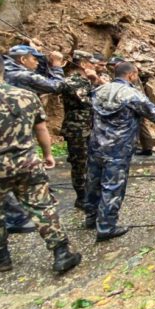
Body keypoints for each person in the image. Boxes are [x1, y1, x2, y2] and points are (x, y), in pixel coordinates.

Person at [0, 52, 82, 274]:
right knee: (42, 206)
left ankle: (0, 257)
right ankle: (62, 253)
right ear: (2, 70)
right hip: (28, 162)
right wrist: (47, 154)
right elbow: (41, 128)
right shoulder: (27, 96)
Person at [85, 61, 155, 242]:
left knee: (93, 182)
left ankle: (91, 217)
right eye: (136, 75)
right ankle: (106, 226)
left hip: (96, 144)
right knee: (113, 186)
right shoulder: (132, 94)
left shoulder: (99, 90)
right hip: (118, 148)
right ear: (131, 75)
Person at [2, 44, 67, 233]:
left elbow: (35, 72)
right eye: (34, 58)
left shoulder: (2, 71)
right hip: (17, 130)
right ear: (23, 60)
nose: (37, 62)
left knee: (2, 168)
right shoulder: (23, 76)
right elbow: (56, 86)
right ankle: (20, 216)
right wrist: (56, 65)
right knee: (21, 166)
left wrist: (37, 54)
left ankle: (15, 212)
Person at [61, 50, 103, 209]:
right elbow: (89, 102)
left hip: (90, 127)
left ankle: (91, 193)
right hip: (77, 129)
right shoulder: (72, 81)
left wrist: (94, 81)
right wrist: (94, 82)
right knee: (80, 163)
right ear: (84, 64)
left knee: (92, 162)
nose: (95, 66)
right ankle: (82, 197)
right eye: (92, 63)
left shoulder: (89, 81)